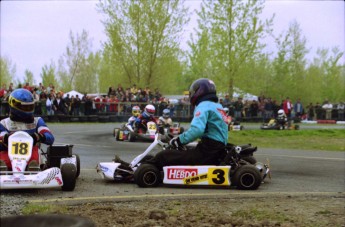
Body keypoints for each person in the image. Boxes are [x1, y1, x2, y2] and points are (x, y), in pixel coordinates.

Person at [134, 78, 228, 170]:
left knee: (164, 156)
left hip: (207, 152)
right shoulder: (218, 107)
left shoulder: (203, 106)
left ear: (200, 91)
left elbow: (197, 130)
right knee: (183, 150)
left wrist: (178, 140)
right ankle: (145, 165)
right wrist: (180, 139)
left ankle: (139, 169)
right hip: (216, 149)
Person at [0, 88, 55, 171]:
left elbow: (50, 138)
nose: (28, 110)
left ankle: (34, 168)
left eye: (30, 106)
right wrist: (6, 138)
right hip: (9, 153)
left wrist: (38, 137)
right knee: (3, 156)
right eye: (25, 107)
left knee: (35, 155)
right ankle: (3, 168)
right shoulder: (4, 123)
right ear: (14, 105)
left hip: (32, 152)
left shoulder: (37, 121)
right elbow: (1, 139)